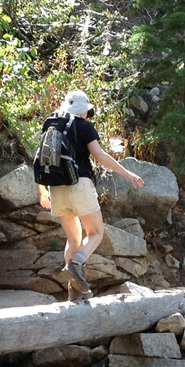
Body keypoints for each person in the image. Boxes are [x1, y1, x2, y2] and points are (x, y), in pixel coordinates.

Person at [37, 90, 144, 301]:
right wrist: (127, 173)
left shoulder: (52, 125)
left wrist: (41, 190)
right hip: (79, 184)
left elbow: (42, 157)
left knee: (73, 239)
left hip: (56, 188)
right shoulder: (85, 126)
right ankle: (77, 264)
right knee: (96, 233)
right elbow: (99, 155)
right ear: (84, 110)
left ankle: (74, 291)